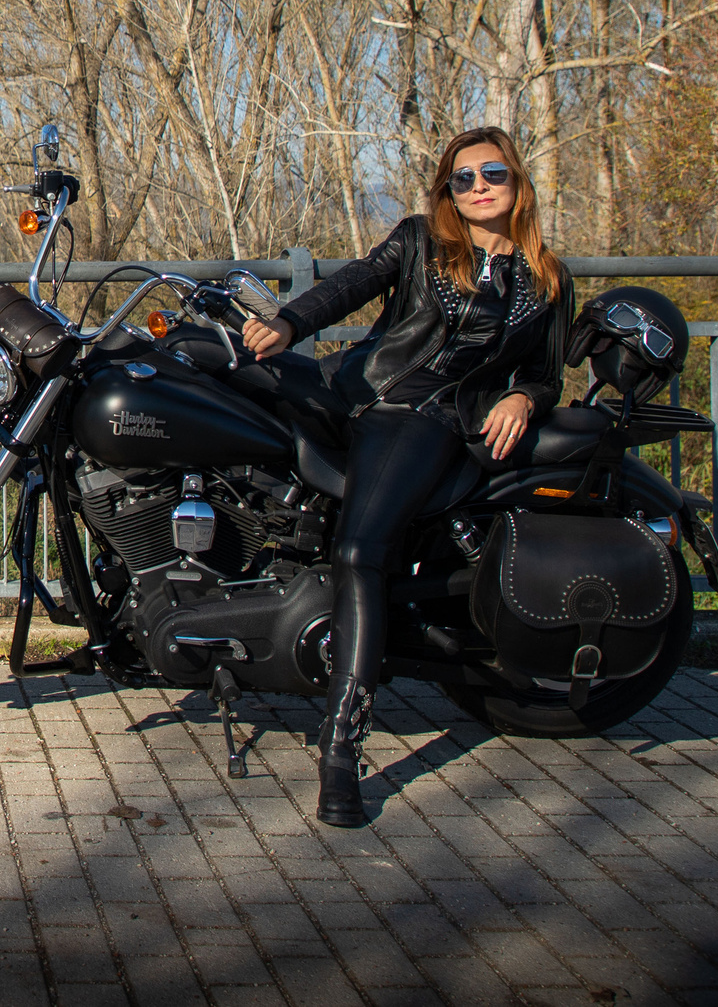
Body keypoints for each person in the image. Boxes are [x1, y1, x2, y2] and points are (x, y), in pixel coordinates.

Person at [240, 127, 573, 828]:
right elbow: (355, 281)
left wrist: (522, 397)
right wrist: (290, 321)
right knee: (205, 378)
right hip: (353, 388)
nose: (479, 187)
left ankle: (340, 743)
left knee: (362, 552)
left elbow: (545, 375)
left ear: (519, 183)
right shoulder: (422, 240)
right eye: (464, 178)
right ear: (446, 191)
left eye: (494, 174)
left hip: (425, 419)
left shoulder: (548, 279)